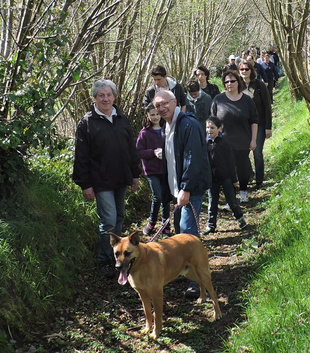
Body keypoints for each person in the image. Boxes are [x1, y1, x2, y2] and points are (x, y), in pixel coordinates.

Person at [72, 79, 141, 279]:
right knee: (109, 220)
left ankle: (118, 258)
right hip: (100, 181)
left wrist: (135, 174)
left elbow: (131, 148)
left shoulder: (121, 118)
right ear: (94, 98)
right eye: (101, 95)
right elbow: (81, 156)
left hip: (121, 177)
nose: (106, 99)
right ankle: (104, 260)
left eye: (109, 95)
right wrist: (85, 184)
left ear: (114, 96)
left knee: (119, 217)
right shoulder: (87, 122)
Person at [153, 90, 212, 299]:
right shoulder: (166, 127)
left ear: (175, 102)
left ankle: (197, 282)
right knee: (179, 233)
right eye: (157, 106)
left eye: (164, 104)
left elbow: (193, 159)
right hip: (176, 190)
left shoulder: (188, 125)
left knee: (188, 233)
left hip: (190, 189)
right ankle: (184, 269)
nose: (161, 108)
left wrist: (186, 188)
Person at [211, 70, 258, 203]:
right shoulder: (218, 100)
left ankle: (243, 191)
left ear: (238, 82)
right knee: (226, 171)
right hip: (224, 143)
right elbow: (212, 121)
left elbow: (254, 121)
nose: (229, 84)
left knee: (242, 169)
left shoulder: (247, 100)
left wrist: (254, 139)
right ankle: (230, 198)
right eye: (226, 82)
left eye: (232, 81)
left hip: (243, 142)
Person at [205, 116, 246, 234]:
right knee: (212, 202)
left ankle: (240, 218)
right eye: (207, 127)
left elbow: (231, 162)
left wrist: (234, 179)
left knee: (232, 200)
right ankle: (211, 225)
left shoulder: (224, 143)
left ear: (219, 129)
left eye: (212, 128)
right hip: (212, 179)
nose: (209, 130)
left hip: (225, 177)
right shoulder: (205, 143)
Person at [136, 103, 170, 236]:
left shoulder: (166, 129)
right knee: (158, 196)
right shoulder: (144, 133)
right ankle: (152, 222)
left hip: (165, 169)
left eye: (157, 114)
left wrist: (165, 153)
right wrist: (153, 152)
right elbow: (139, 152)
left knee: (166, 197)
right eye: (152, 114)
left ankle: (166, 225)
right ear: (147, 116)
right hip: (152, 170)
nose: (155, 117)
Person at [239, 60, 272, 188]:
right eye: (242, 69)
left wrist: (268, 127)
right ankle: (247, 176)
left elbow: (267, 107)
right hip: (243, 126)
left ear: (251, 71)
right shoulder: (237, 86)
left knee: (257, 153)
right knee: (243, 154)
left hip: (260, 124)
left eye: (247, 69)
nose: (244, 72)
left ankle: (259, 181)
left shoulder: (259, 85)